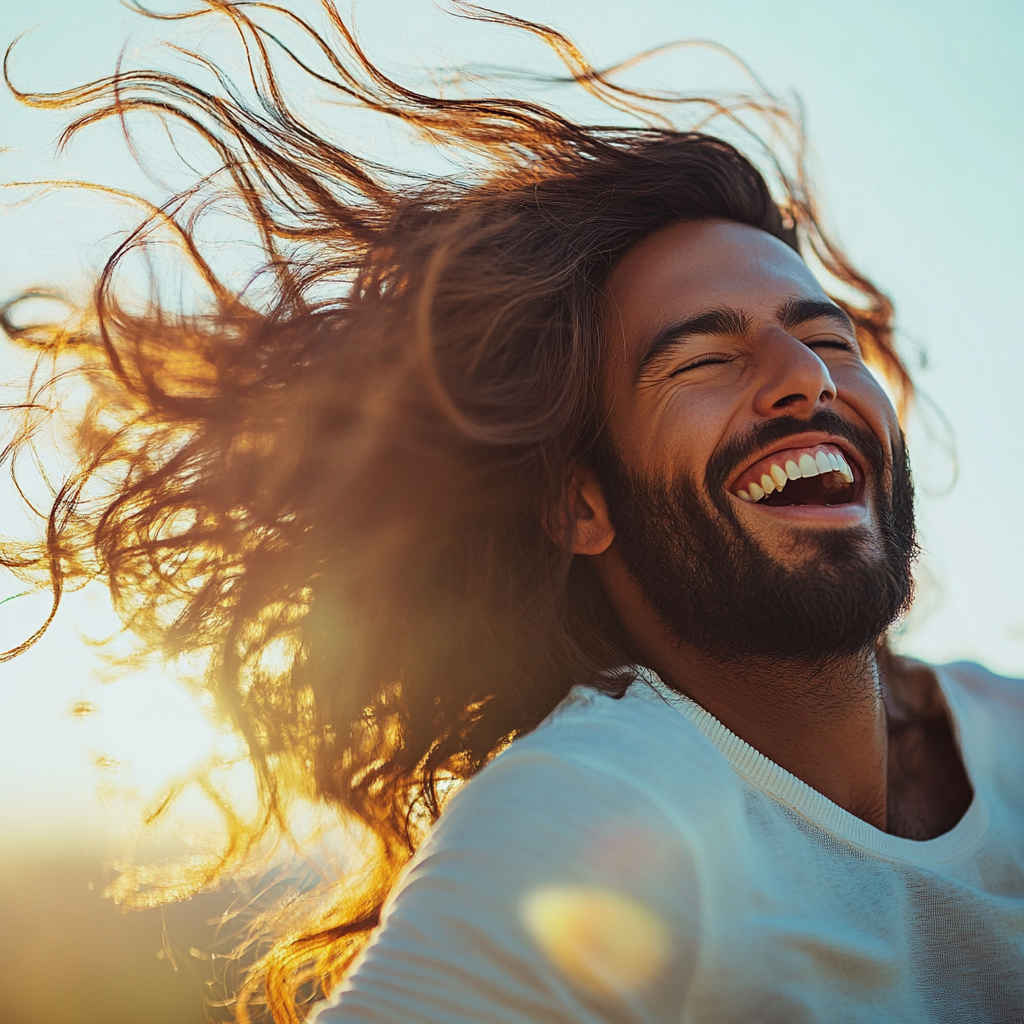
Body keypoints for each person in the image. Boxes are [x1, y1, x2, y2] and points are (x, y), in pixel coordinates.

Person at [3, 3, 1021, 1022]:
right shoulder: (588, 812)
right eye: (706, 358)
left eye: (828, 341)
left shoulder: (1006, 731)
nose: (804, 379)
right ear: (581, 504)